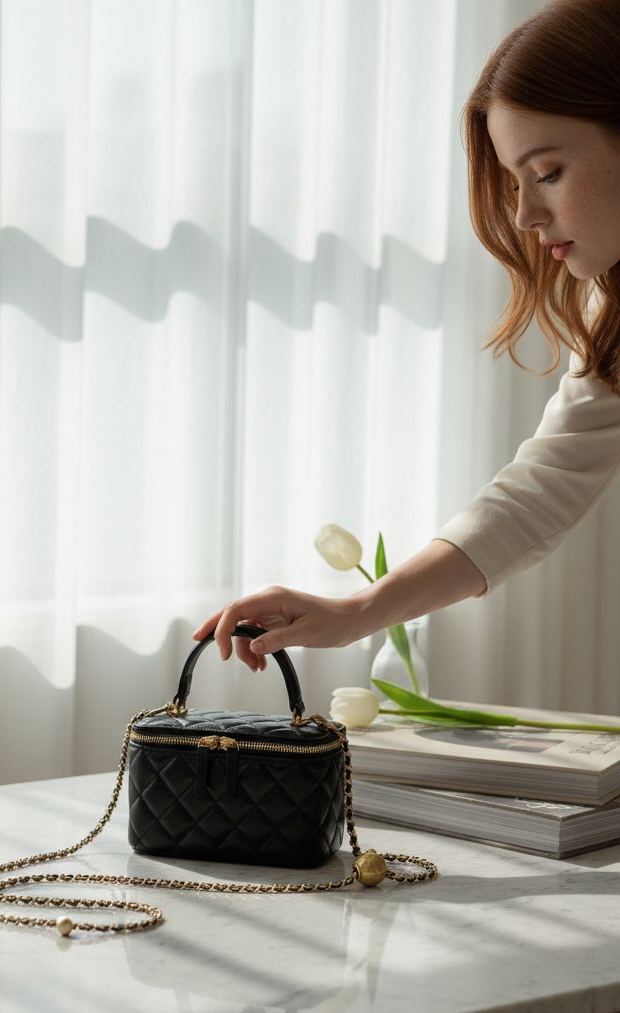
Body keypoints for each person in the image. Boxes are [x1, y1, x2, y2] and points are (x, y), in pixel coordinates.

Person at [194, 0, 620, 674]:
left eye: (546, 173)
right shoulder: (614, 315)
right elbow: (541, 490)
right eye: (514, 182)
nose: (525, 215)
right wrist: (357, 611)